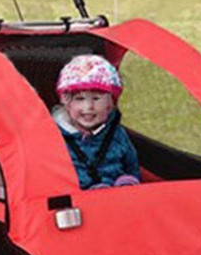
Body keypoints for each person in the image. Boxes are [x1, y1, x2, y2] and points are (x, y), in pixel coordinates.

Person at [53, 54, 141, 190]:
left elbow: (131, 163)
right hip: (78, 199)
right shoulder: (56, 137)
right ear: (67, 105)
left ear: (110, 104)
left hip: (117, 193)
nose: (88, 107)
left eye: (96, 98)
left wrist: (129, 179)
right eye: (80, 99)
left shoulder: (116, 133)